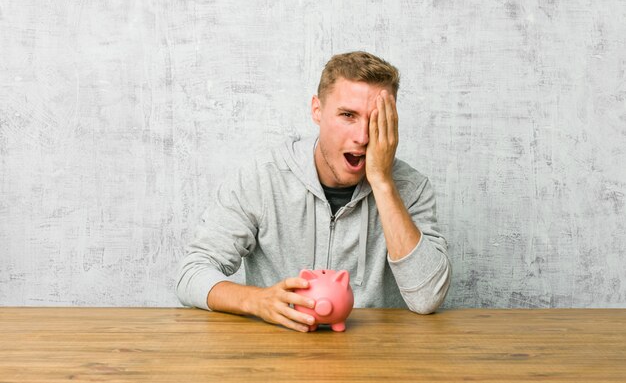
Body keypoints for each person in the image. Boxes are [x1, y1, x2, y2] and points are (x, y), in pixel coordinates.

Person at [176, 51, 451, 332]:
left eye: (376, 120)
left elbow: (427, 298)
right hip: (276, 357)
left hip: (374, 356)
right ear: (316, 110)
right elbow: (192, 274)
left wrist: (382, 182)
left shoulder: (411, 188)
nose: (363, 137)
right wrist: (257, 301)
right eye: (347, 115)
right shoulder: (263, 177)